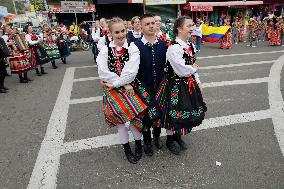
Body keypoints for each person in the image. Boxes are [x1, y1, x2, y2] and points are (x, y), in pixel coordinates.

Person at [97, 17, 150, 164]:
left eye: (122, 31)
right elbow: (103, 72)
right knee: (121, 123)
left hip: (128, 88)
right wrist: (121, 83)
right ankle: (127, 149)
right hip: (115, 89)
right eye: (117, 32)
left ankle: (138, 145)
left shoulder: (132, 48)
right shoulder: (105, 50)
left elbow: (131, 72)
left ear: (126, 31)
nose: (120, 35)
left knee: (135, 119)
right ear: (110, 33)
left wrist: (119, 83)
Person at [158, 16, 207, 155]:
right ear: (179, 29)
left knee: (185, 110)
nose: (192, 28)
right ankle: (170, 139)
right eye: (189, 26)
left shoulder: (190, 45)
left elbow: (191, 67)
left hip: (188, 84)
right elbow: (181, 71)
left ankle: (177, 136)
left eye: (192, 25)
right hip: (175, 85)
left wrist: (198, 82)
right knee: (172, 112)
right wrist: (193, 68)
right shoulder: (174, 47)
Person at [131, 14, 168, 156]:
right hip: (142, 87)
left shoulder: (164, 44)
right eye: (147, 24)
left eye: (153, 23)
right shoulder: (135, 45)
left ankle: (157, 136)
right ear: (140, 26)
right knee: (145, 116)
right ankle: (146, 140)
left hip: (160, 86)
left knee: (158, 113)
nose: (151, 26)